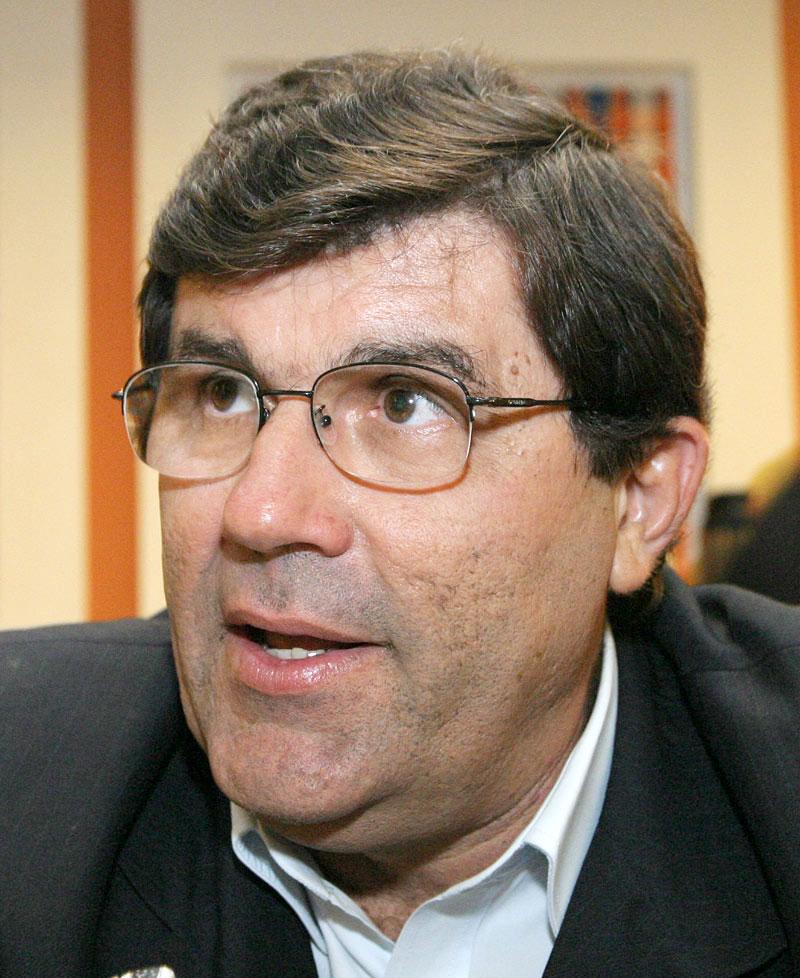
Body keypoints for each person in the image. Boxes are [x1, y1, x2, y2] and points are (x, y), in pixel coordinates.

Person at [1, 49, 798, 978]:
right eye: (221, 393)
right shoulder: (26, 783)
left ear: (639, 498)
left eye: (404, 402)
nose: (261, 512)